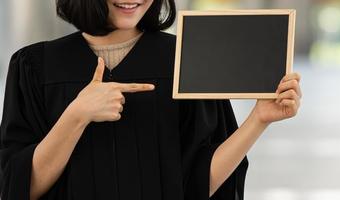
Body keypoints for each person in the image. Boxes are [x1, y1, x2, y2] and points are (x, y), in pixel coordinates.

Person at [0, 0, 302, 199]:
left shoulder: (186, 60)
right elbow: (20, 188)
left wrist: (258, 119)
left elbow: (199, 186)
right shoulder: (35, 66)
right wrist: (76, 115)